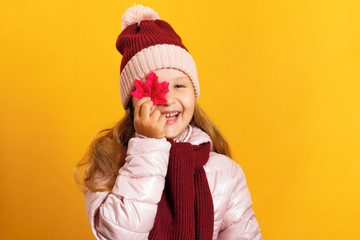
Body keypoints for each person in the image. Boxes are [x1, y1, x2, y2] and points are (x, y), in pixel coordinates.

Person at [75, 4, 262, 240]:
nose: (167, 98)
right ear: (131, 102)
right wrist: (148, 144)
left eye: (179, 85)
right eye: (153, 88)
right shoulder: (109, 160)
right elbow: (118, 234)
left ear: (193, 94)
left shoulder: (224, 172)